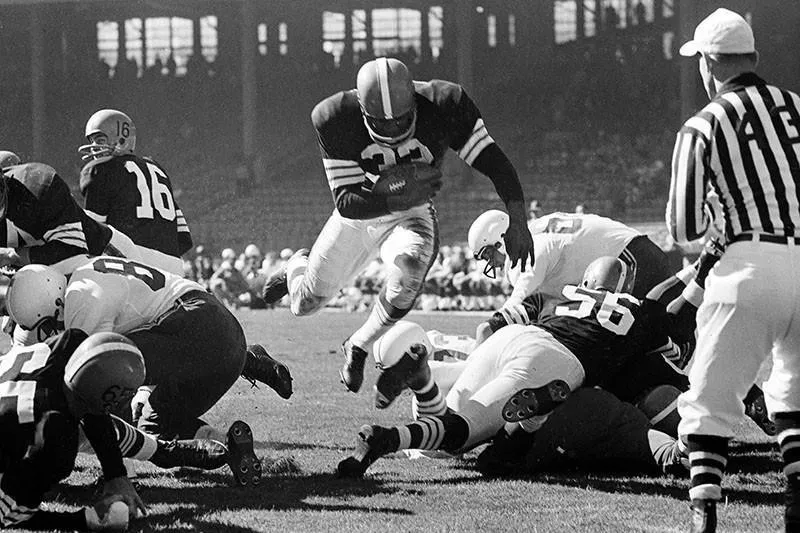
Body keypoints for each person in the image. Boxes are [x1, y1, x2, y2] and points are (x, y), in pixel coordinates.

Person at [260, 57, 534, 394]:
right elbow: (346, 202)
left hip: (412, 214)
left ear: (415, 107)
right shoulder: (334, 116)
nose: (391, 131)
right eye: (381, 124)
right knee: (304, 305)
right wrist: (395, 196)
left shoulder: (445, 103)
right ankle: (296, 267)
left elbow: (494, 161)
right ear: (361, 110)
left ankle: (358, 346)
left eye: (401, 121)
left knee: (409, 271)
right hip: (360, 213)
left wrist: (518, 218)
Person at [336, 256, 694, 478]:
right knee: (464, 431)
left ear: (587, 282)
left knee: (446, 432)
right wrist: (701, 266)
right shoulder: (636, 310)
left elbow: (498, 322)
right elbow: (667, 300)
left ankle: (421, 385)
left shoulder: (564, 294)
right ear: (625, 286)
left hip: (515, 337)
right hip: (556, 362)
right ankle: (391, 436)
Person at [667, 8, 800, 532]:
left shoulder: (703, 124)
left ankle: (705, 515)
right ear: (755, 60)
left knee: (710, 402)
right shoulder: (797, 107)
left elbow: (682, 225)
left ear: (707, 64)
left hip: (748, 265)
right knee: (793, 394)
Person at [5, 258, 292, 484]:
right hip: (221, 337)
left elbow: (96, 389)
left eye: (45, 327)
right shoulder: (81, 277)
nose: (48, 335)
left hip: (195, 322)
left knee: (101, 377)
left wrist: (119, 473)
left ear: (55, 302)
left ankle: (249, 361)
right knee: (152, 424)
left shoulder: (82, 300)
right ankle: (227, 444)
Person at [0, 329, 145, 530]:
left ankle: (190, 454)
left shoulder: (70, 344)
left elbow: (90, 391)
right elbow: (7, 515)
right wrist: (86, 520)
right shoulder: (54, 438)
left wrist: (116, 474)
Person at [468, 209, 674, 344]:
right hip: (636, 254)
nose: (491, 262)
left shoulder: (533, 247)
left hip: (631, 260)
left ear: (501, 238)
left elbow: (520, 297)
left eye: (488, 253)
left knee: (627, 342)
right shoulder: (535, 230)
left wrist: (490, 327)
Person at [78, 109, 193, 276]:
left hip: (130, 264)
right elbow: (184, 238)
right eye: (93, 142)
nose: (94, 148)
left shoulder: (99, 169)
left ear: (122, 139)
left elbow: (92, 235)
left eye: (100, 140)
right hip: (174, 269)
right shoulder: (157, 169)